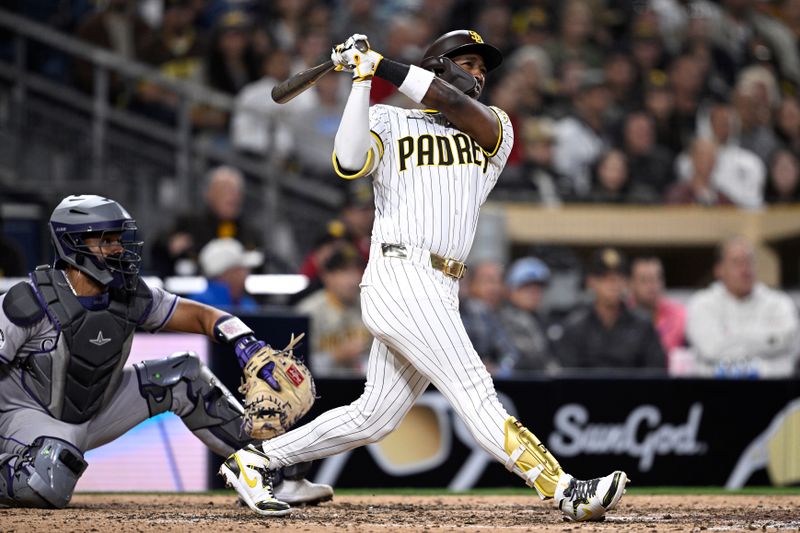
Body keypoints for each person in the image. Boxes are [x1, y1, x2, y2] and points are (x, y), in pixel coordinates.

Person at [222, 30, 628, 522]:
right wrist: (361, 80)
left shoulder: (494, 128)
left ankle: (259, 459)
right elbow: (349, 161)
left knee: (375, 415)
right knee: (476, 388)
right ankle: (564, 489)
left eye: (483, 67)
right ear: (437, 63)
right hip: (400, 272)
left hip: (441, 284)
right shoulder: (389, 120)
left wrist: (381, 63)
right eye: (469, 62)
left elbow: (445, 98)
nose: (479, 73)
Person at [0, 195, 331, 509]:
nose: (118, 248)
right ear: (73, 243)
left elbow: (202, 316)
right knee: (49, 477)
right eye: (107, 240)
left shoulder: (132, 295)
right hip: (24, 419)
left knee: (185, 377)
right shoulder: (27, 302)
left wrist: (244, 341)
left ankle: (269, 468)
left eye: (119, 238)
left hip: (94, 410)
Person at [686, 236, 800, 377]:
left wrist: (731, 339)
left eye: (749, 261)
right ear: (719, 269)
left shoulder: (779, 303)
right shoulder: (701, 304)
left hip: (774, 389)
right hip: (713, 390)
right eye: (736, 262)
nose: (745, 269)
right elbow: (711, 350)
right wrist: (766, 341)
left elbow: (789, 342)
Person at [556, 248, 666, 369]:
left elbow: (656, 372)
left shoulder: (643, 326)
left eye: (618, 278)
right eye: (605, 278)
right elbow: (567, 377)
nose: (613, 284)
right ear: (591, 282)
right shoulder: (575, 328)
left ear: (626, 282)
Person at [295, 244, 371, 377]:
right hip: (320, 390)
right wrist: (335, 357)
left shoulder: (370, 307)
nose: (352, 280)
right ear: (326, 276)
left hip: (362, 387)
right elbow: (295, 366)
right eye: (343, 272)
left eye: (355, 271)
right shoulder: (307, 312)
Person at [497, 257, 557, 373]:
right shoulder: (500, 318)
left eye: (538, 288)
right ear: (510, 289)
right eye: (526, 287)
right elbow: (528, 361)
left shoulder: (544, 320)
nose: (534, 293)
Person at [460, 260, 520, 373]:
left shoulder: (509, 315)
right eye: (488, 281)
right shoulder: (463, 311)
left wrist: (500, 368)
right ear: (470, 285)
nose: (495, 288)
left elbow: (510, 354)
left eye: (498, 282)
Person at [628, 256, 687, 358]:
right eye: (644, 280)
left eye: (656, 279)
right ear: (631, 283)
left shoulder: (679, 315)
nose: (651, 286)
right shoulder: (621, 314)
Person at [189, 238, 263, 312]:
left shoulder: (247, 304)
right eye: (240, 269)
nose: (246, 274)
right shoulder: (200, 304)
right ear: (226, 274)